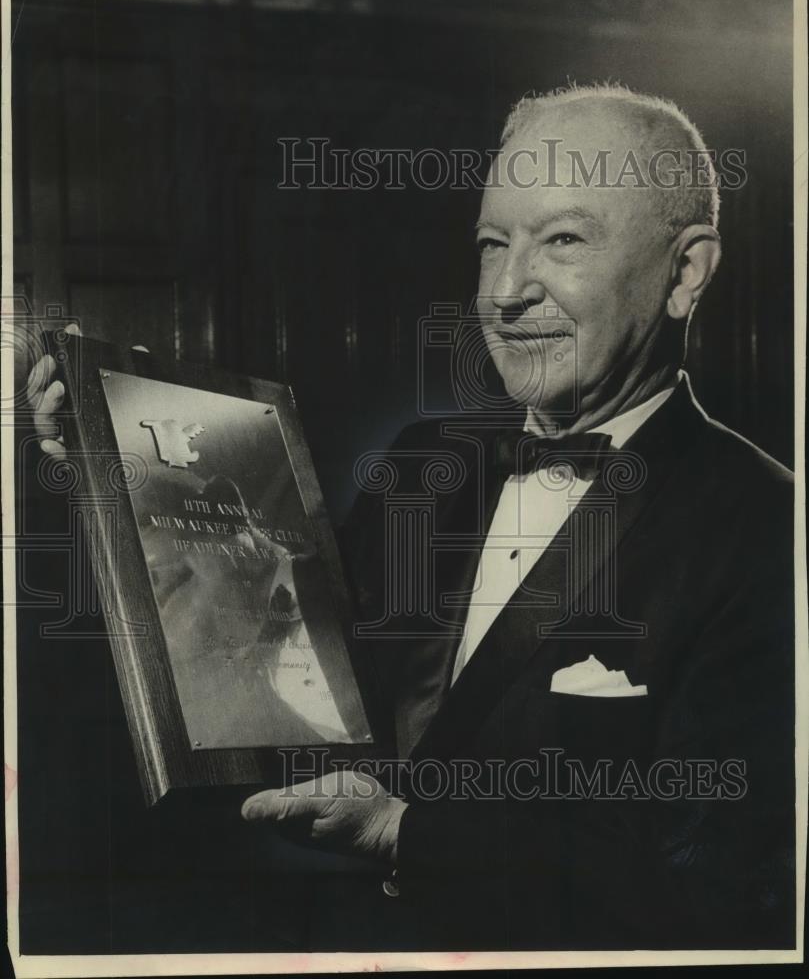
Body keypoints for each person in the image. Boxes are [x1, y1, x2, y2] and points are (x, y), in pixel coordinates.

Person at [28, 84, 795, 951]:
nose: (505, 291)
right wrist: (114, 468)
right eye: (490, 244)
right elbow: (274, 658)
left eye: (563, 240)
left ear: (684, 272)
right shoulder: (422, 463)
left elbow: (724, 892)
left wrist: (404, 832)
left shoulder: (769, 530)